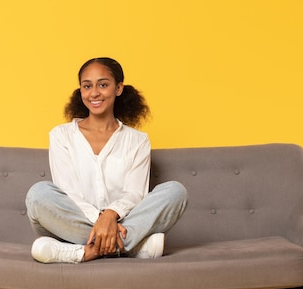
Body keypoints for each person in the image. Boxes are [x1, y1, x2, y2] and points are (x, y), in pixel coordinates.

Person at [25, 57, 187, 263]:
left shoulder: (138, 140)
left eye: (103, 85)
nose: (94, 93)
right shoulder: (61, 136)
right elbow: (68, 190)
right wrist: (100, 221)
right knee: (38, 194)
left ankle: (83, 251)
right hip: (72, 221)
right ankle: (128, 247)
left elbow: (135, 193)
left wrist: (111, 215)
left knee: (176, 191)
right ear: (80, 91)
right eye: (87, 86)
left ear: (118, 88)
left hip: (122, 220)